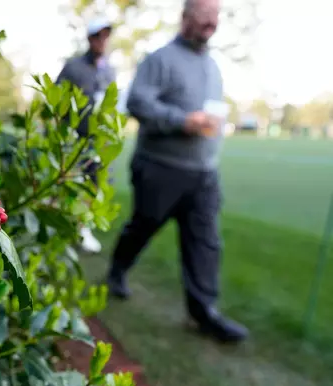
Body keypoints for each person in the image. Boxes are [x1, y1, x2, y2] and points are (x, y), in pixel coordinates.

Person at [106, 0, 249, 343]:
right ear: (185, 18)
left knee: (205, 242)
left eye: (215, 18)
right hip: (160, 168)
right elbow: (137, 102)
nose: (211, 24)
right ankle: (117, 271)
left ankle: (203, 313)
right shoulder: (160, 60)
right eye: (204, 17)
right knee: (143, 226)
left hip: (203, 174)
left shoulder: (213, 66)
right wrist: (181, 121)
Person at [56, 16, 116, 254]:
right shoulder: (73, 67)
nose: (102, 40)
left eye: (106, 35)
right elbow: (56, 101)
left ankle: (83, 228)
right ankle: (70, 226)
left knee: (97, 184)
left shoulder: (109, 70)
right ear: (90, 38)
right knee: (73, 184)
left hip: (100, 141)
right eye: (97, 35)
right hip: (75, 139)